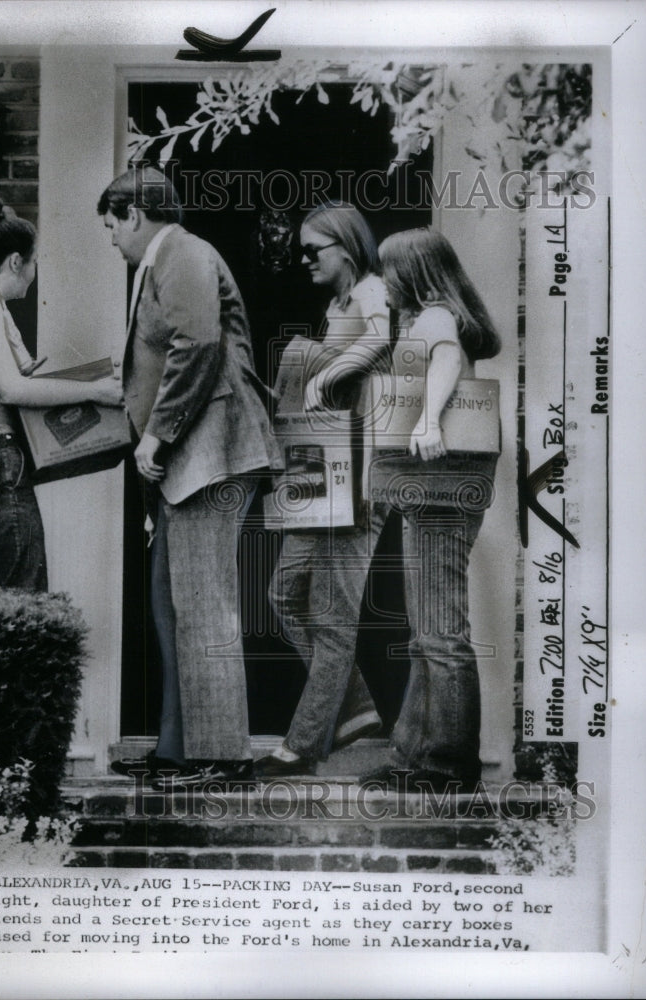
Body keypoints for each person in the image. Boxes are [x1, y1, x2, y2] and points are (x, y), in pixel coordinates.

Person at [99, 166, 283, 788]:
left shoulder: (178, 250)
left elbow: (198, 343)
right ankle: (178, 750)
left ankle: (220, 756)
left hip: (214, 451)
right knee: (171, 601)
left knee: (203, 603)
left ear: (133, 214)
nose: (111, 240)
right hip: (192, 458)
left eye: (111, 224)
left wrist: (156, 434)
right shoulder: (164, 259)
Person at [256, 201, 392, 777]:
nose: (303, 258)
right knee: (285, 596)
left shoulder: (371, 290)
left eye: (314, 249)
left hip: (360, 479)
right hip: (324, 475)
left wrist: (327, 372)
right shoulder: (339, 305)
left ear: (347, 246)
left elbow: (385, 340)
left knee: (332, 618)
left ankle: (302, 746)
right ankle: (357, 710)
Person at [366, 227, 501, 792]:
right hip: (432, 490)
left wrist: (426, 420)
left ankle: (447, 766)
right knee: (428, 629)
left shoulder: (437, 318)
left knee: (441, 631)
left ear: (412, 272)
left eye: (388, 271)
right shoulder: (426, 318)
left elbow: (445, 360)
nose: (383, 281)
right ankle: (416, 756)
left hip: (441, 488)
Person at [0, 194, 124, 590]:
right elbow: (13, 388)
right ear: (15, 261)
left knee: (2, 593)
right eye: (35, 261)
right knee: (22, 591)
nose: (35, 271)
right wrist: (95, 391)